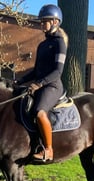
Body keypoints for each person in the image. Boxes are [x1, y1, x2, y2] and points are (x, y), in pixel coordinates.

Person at [16, 4, 68, 162]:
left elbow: (57, 72)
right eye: (41, 21)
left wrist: (39, 84)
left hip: (52, 86)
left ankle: (49, 150)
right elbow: (36, 70)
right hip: (41, 83)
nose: (41, 24)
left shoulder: (60, 43)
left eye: (44, 21)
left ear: (55, 22)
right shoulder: (42, 45)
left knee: (39, 111)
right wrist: (21, 80)